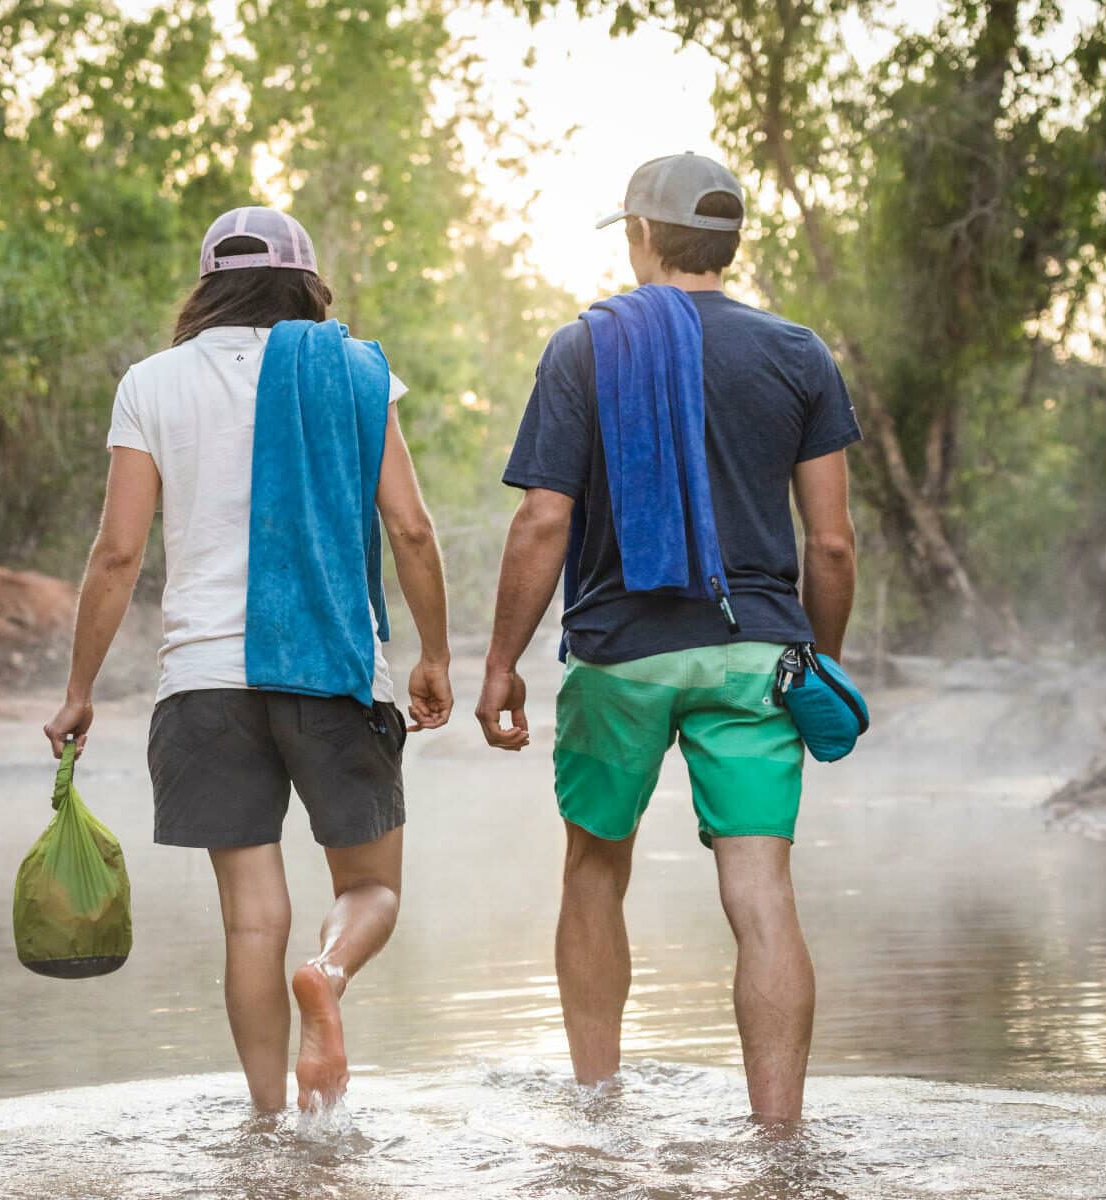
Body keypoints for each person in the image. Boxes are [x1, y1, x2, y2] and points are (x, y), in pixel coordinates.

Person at [474, 154, 860, 1122]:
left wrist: (501, 663)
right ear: (728, 242)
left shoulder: (587, 348)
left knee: (596, 868)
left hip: (621, 654)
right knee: (761, 890)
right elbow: (833, 544)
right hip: (757, 655)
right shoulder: (799, 355)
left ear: (640, 236)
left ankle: (599, 1116)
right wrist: (821, 659)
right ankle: (779, 1145)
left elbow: (542, 524)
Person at [44, 206, 453, 1113]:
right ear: (306, 287)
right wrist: (435, 654)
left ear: (208, 286)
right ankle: (329, 971)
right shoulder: (353, 371)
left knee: (250, 918)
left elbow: (117, 554)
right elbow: (412, 528)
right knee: (372, 885)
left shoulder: (151, 383)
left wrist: (78, 690)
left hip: (202, 684)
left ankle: (270, 1126)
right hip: (333, 670)